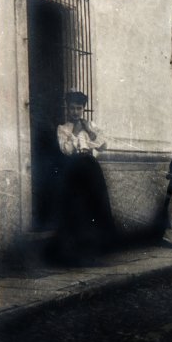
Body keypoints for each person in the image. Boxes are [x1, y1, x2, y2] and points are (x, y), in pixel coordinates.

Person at [48, 91, 116, 265]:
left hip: (91, 168)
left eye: (79, 108)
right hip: (73, 170)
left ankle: (95, 251)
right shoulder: (62, 129)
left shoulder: (91, 125)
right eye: (72, 108)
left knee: (95, 206)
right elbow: (66, 150)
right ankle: (74, 253)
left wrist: (87, 130)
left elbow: (103, 145)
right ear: (67, 108)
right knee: (77, 209)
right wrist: (75, 131)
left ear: (84, 109)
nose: (75, 112)